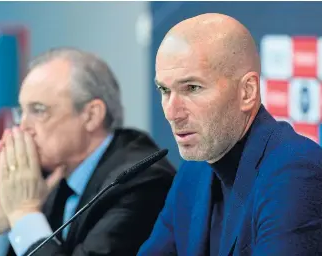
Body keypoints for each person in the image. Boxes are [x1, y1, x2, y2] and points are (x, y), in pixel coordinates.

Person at [137, 13, 322, 256]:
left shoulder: (296, 172)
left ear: (247, 92)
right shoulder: (192, 173)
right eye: (164, 90)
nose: (172, 112)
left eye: (192, 88)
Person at [0, 48, 176, 256]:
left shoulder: (141, 181)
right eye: (21, 112)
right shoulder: (43, 176)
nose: (23, 127)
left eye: (38, 110)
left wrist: (23, 213)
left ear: (91, 116)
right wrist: (0, 221)